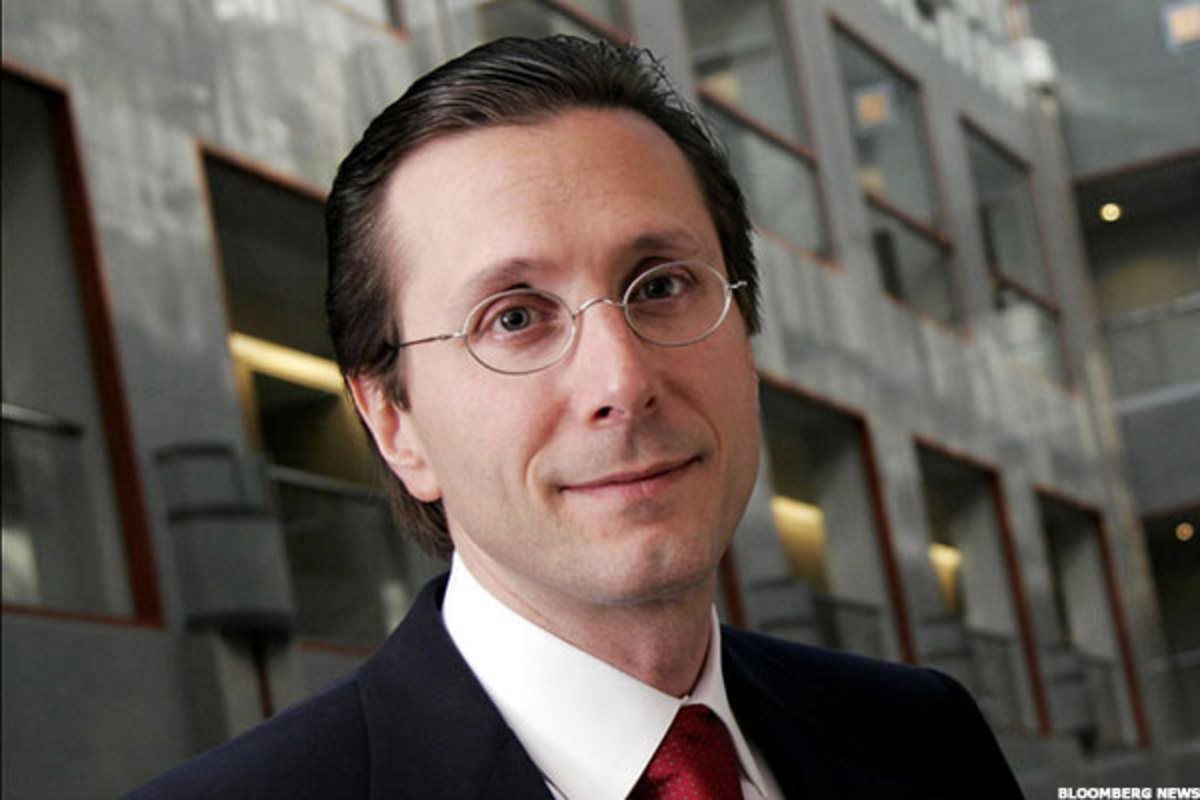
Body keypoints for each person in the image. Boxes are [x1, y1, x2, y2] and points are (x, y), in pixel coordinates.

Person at [129, 35, 1024, 799]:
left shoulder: (924, 740)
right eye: (514, 317)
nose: (622, 380)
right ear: (395, 422)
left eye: (661, 286)